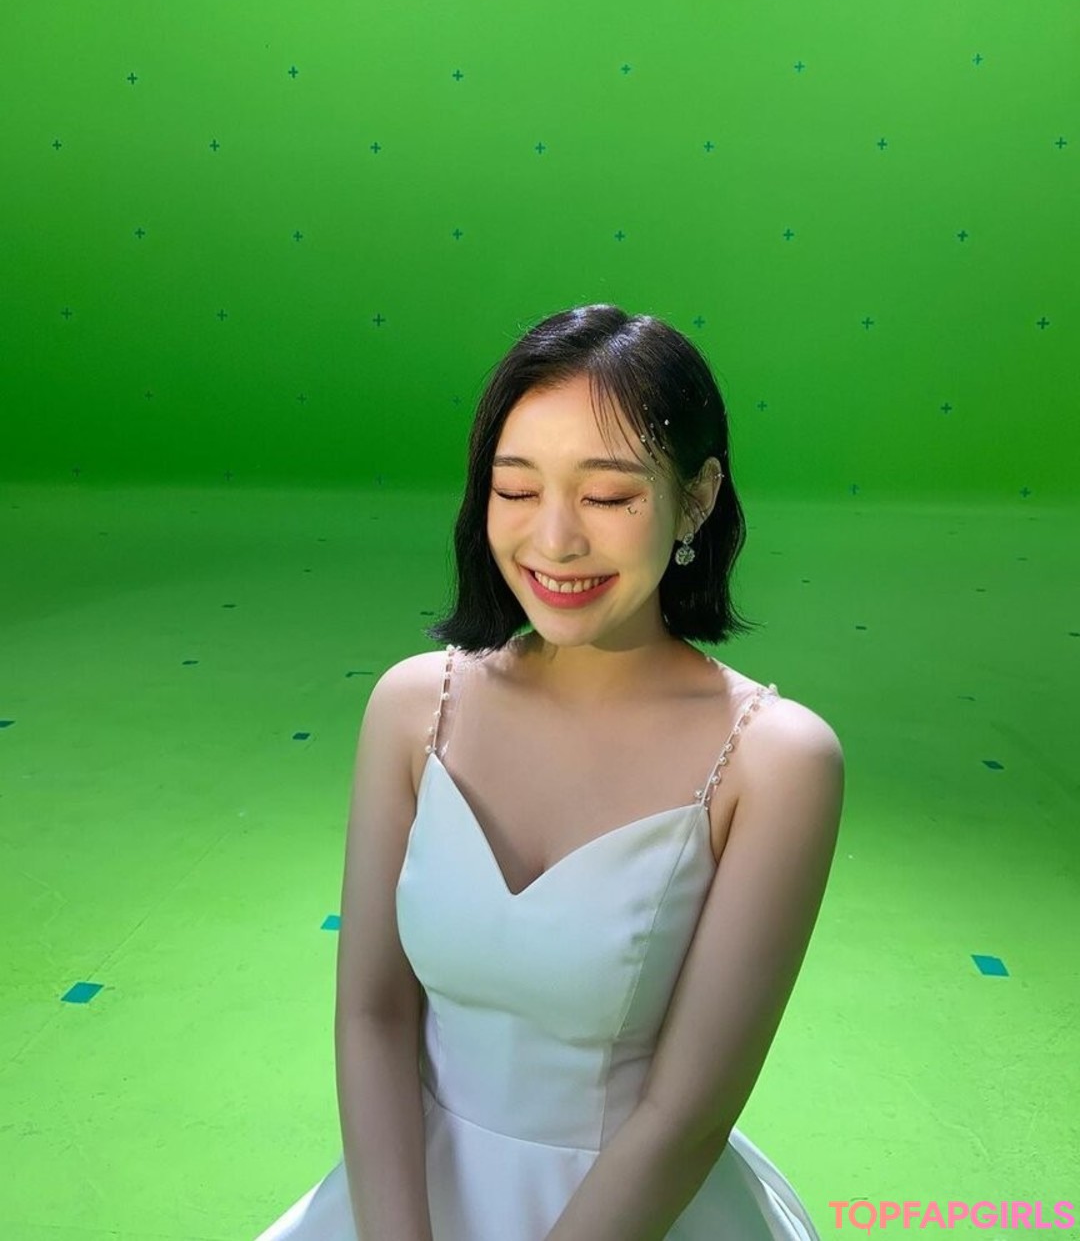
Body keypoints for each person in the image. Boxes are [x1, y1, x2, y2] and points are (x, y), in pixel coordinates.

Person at [255, 304, 845, 1241]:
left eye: (607, 497)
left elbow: (686, 1114)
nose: (555, 539)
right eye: (516, 489)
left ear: (698, 498)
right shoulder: (413, 708)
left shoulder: (776, 762)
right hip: (399, 1199)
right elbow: (373, 1014)